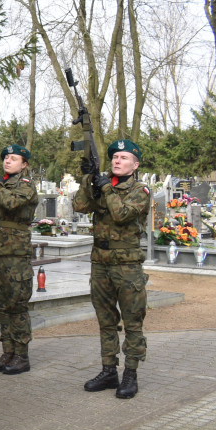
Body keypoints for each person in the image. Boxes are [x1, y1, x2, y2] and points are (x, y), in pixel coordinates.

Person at [73, 139, 151, 399]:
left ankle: (130, 374)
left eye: (124, 157)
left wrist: (106, 189)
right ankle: (108, 371)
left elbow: (121, 215)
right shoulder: (103, 185)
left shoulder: (141, 190)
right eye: (115, 157)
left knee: (132, 322)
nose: (117, 161)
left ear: (135, 164)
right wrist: (87, 179)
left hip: (127, 266)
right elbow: (80, 206)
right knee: (106, 322)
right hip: (101, 263)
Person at [0, 144, 39, 375]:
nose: (8, 161)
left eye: (14, 158)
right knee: (1, 304)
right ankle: (7, 351)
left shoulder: (25, 186)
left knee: (17, 306)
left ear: (24, 165)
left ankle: (21, 355)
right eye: (6, 157)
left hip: (15, 253)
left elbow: (10, 203)